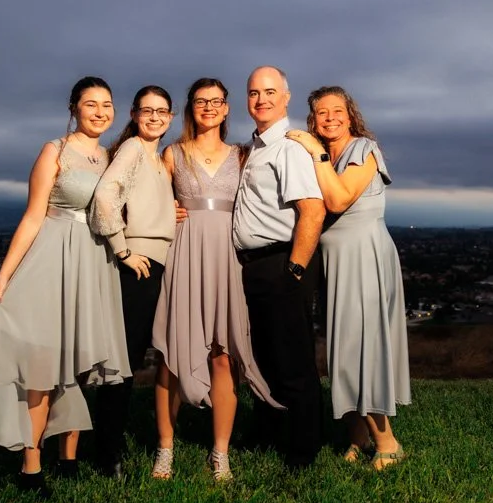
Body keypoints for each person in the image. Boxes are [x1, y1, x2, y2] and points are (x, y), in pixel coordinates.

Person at [0, 76, 131, 496]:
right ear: (74, 109)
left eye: (107, 104)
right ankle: (31, 468)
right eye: (90, 104)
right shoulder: (55, 151)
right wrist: (3, 274)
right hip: (53, 258)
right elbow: (32, 216)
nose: (100, 112)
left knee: (76, 361)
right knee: (43, 366)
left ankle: (69, 459)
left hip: (96, 264)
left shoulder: (113, 157)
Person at [150, 78, 282, 482]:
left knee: (223, 354)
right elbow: (145, 199)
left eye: (217, 101)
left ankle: (220, 453)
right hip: (184, 255)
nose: (209, 107)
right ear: (191, 108)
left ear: (227, 109)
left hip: (227, 258)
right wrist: (163, 210)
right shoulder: (172, 154)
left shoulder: (243, 155)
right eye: (201, 101)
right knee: (170, 356)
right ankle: (165, 449)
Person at [286, 86, 410, 470]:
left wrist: (314, 150)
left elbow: (339, 200)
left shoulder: (364, 149)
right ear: (313, 119)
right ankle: (356, 436)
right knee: (343, 349)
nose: (330, 118)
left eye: (337, 110)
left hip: (364, 256)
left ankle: (388, 442)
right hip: (334, 261)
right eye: (321, 113)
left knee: (363, 348)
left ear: (350, 114)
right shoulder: (323, 155)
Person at [231, 65, 326, 470]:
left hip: (282, 262)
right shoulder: (255, 147)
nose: (261, 99)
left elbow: (312, 211)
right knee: (262, 358)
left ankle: (303, 451)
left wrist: (295, 270)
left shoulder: (289, 148)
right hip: (252, 266)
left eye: (270, 92)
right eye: (254, 93)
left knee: (292, 361)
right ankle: (269, 431)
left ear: (286, 98)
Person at [88, 85, 177, 478]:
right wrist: (123, 249)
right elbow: (105, 195)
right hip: (136, 266)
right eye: (147, 111)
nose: (155, 117)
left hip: (156, 263)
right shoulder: (133, 149)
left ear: (171, 117)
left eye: (162, 111)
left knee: (129, 360)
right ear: (135, 114)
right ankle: (107, 455)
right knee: (121, 364)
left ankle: (107, 444)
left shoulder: (156, 159)